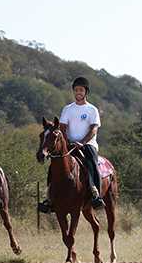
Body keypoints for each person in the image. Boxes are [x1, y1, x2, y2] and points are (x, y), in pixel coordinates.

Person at [37, 76, 106, 213]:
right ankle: (49, 198)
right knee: (54, 166)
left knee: (91, 163)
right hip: (69, 144)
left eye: (81, 90)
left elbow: (94, 129)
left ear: (86, 92)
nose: (78, 92)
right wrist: (66, 142)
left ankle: (96, 196)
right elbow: (62, 128)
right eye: (76, 90)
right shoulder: (68, 109)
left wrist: (83, 142)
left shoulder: (92, 110)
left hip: (87, 145)